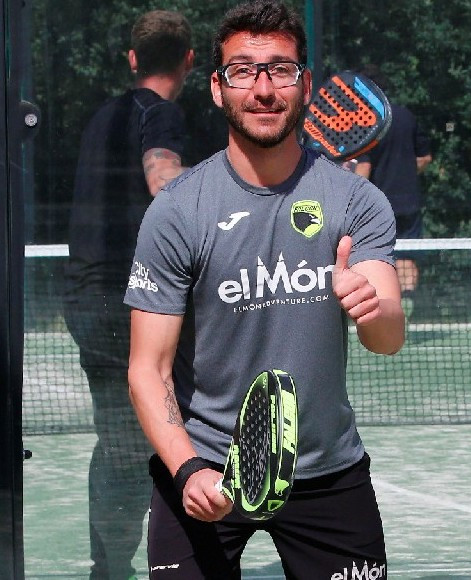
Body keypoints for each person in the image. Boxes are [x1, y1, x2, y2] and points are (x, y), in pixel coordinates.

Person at [124, 2, 405, 578]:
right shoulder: (178, 211)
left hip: (326, 472)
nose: (263, 88)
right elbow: (147, 369)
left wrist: (371, 307)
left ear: (305, 84)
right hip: (205, 468)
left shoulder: (356, 201)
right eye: (242, 71)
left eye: (280, 69)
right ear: (217, 87)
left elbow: (387, 339)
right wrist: (187, 470)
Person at [63, 10, 194, 580]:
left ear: (133, 58)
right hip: (128, 304)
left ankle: (110, 567)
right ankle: (151, 564)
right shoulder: (160, 113)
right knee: (159, 439)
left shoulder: (103, 117)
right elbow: (164, 185)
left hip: (86, 298)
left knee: (119, 441)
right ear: (190, 60)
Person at [355, 81, 432, 318]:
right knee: (407, 258)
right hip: (409, 203)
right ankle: (405, 311)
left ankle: (386, 314)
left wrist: (352, 196)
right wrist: (404, 175)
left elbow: (364, 167)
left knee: (375, 258)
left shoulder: (367, 121)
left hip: (377, 207)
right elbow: (425, 159)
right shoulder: (406, 116)